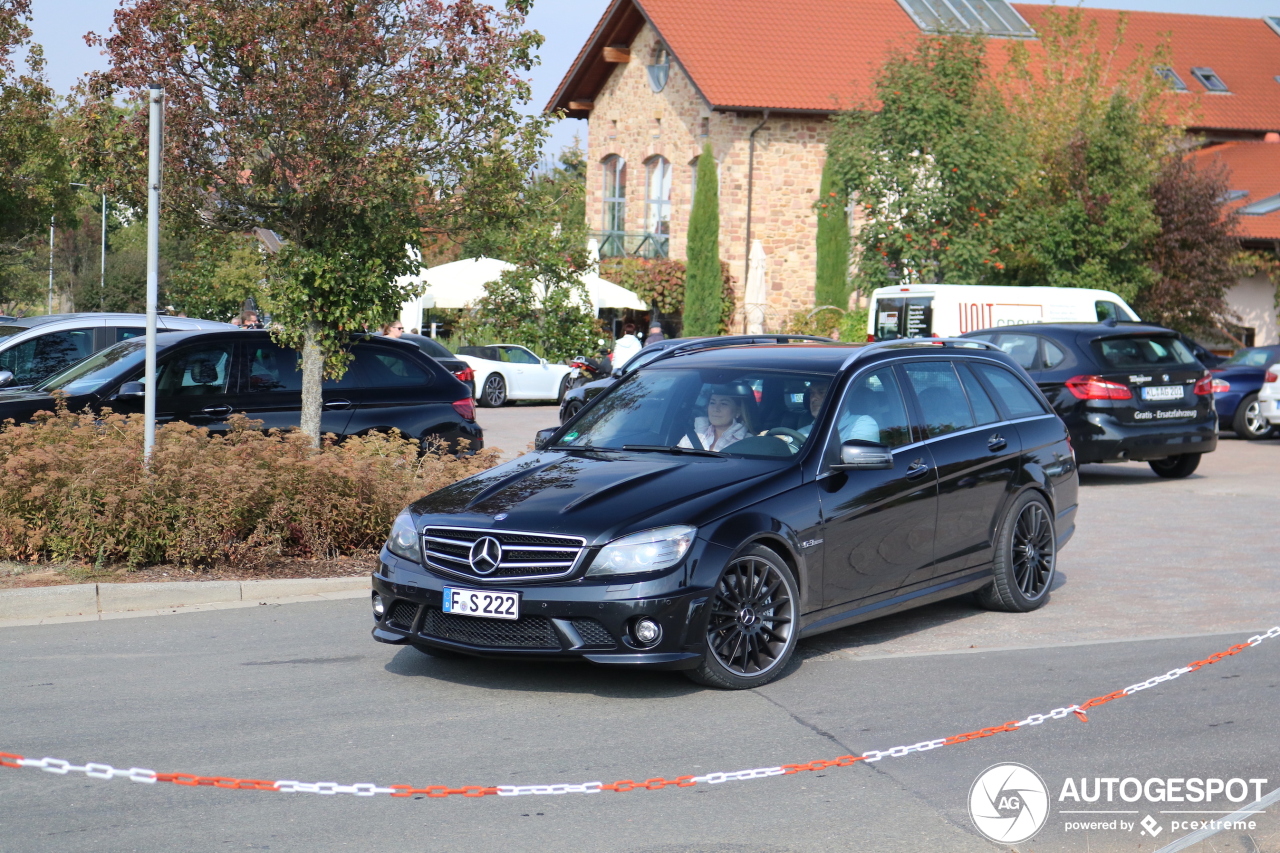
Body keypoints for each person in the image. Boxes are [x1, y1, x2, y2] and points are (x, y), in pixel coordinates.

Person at [796, 380, 879, 442]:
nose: (813, 398)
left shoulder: (863, 423)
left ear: (842, 397)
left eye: (821, 392)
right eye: (811, 393)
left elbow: (854, 460)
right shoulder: (801, 433)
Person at [679, 387, 751, 452]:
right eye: (712, 403)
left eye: (723, 404)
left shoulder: (748, 442)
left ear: (738, 411)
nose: (716, 409)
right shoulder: (694, 436)